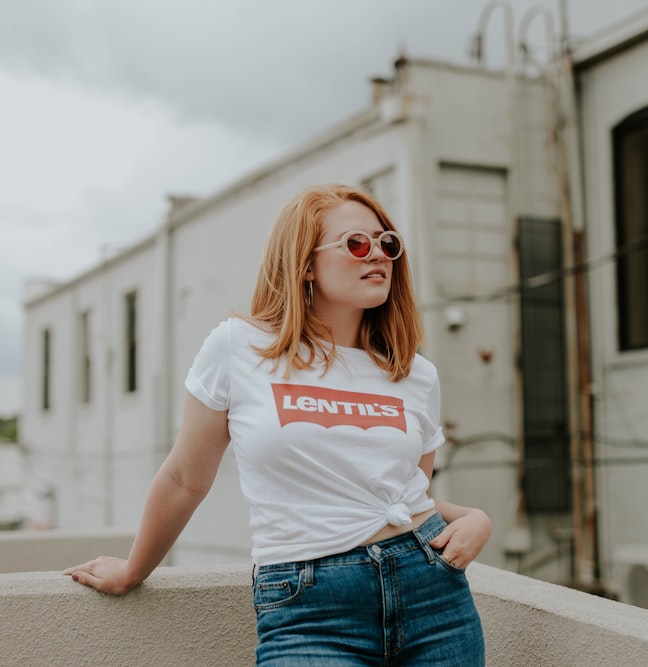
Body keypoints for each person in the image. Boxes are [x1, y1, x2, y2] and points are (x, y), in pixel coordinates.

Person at [65, 184, 491, 665]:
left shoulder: (414, 372)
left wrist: (474, 519)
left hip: (432, 595)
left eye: (387, 243)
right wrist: (133, 569)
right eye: (356, 243)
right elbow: (186, 476)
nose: (378, 255)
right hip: (309, 606)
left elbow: (399, 492)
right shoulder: (240, 348)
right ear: (305, 263)